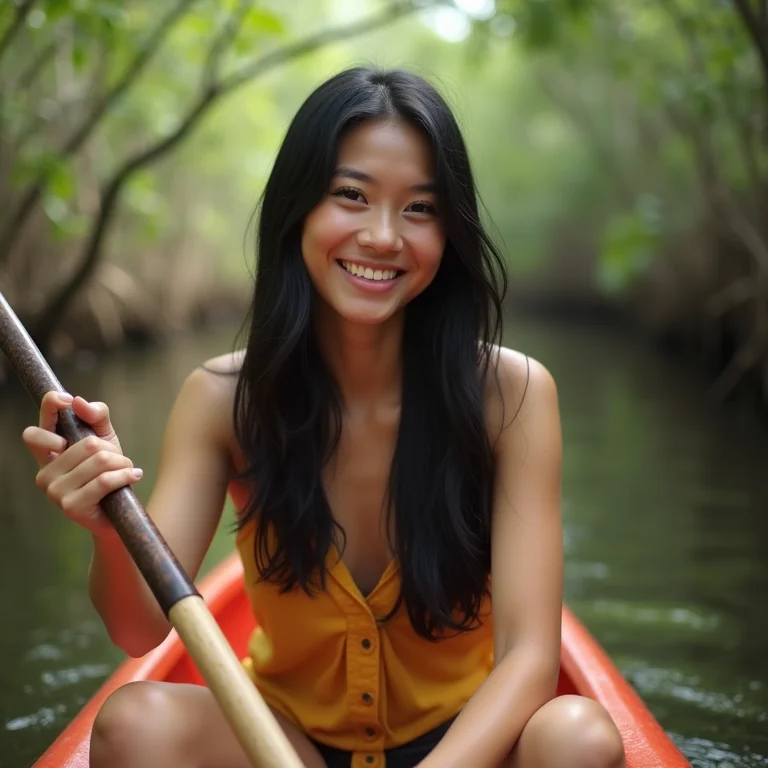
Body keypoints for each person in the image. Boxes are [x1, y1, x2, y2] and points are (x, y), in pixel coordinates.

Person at [22, 67, 625, 768]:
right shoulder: (223, 400)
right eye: (351, 196)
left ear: (450, 232)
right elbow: (137, 629)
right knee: (133, 722)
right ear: (299, 208)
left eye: (420, 209)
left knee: (580, 738)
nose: (382, 236)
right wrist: (106, 526)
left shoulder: (512, 395)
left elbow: (528, 656)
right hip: (287, 747)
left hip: (469, 749)